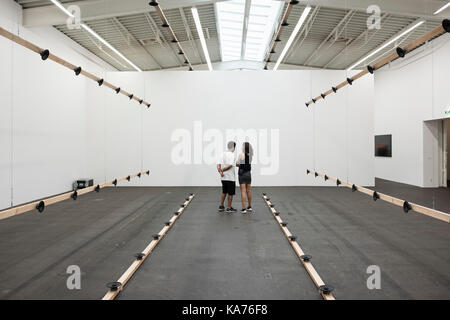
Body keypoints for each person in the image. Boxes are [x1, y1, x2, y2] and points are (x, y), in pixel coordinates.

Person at [217, 141, 237, 213]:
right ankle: (228, 208)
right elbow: (230, 165)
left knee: (224, 191)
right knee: (230, 193)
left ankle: (221, 206)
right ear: (233, 147)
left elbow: (218, 164)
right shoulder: (232, 155)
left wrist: (220, 171)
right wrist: (222, 170)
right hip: (230, 177)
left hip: (223, 177)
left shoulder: (222, 154)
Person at [236, 142, 253, 214]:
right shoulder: (251, 155)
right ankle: (249, 206)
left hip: (242, 174)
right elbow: (247, 164)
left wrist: (239, 163)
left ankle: (243, 208)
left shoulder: (241, 155)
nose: (241, 147)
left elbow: (237, 164)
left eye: (242, 146)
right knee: (248, 191)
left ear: (244, 147)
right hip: (248, 174)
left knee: (243, 191)